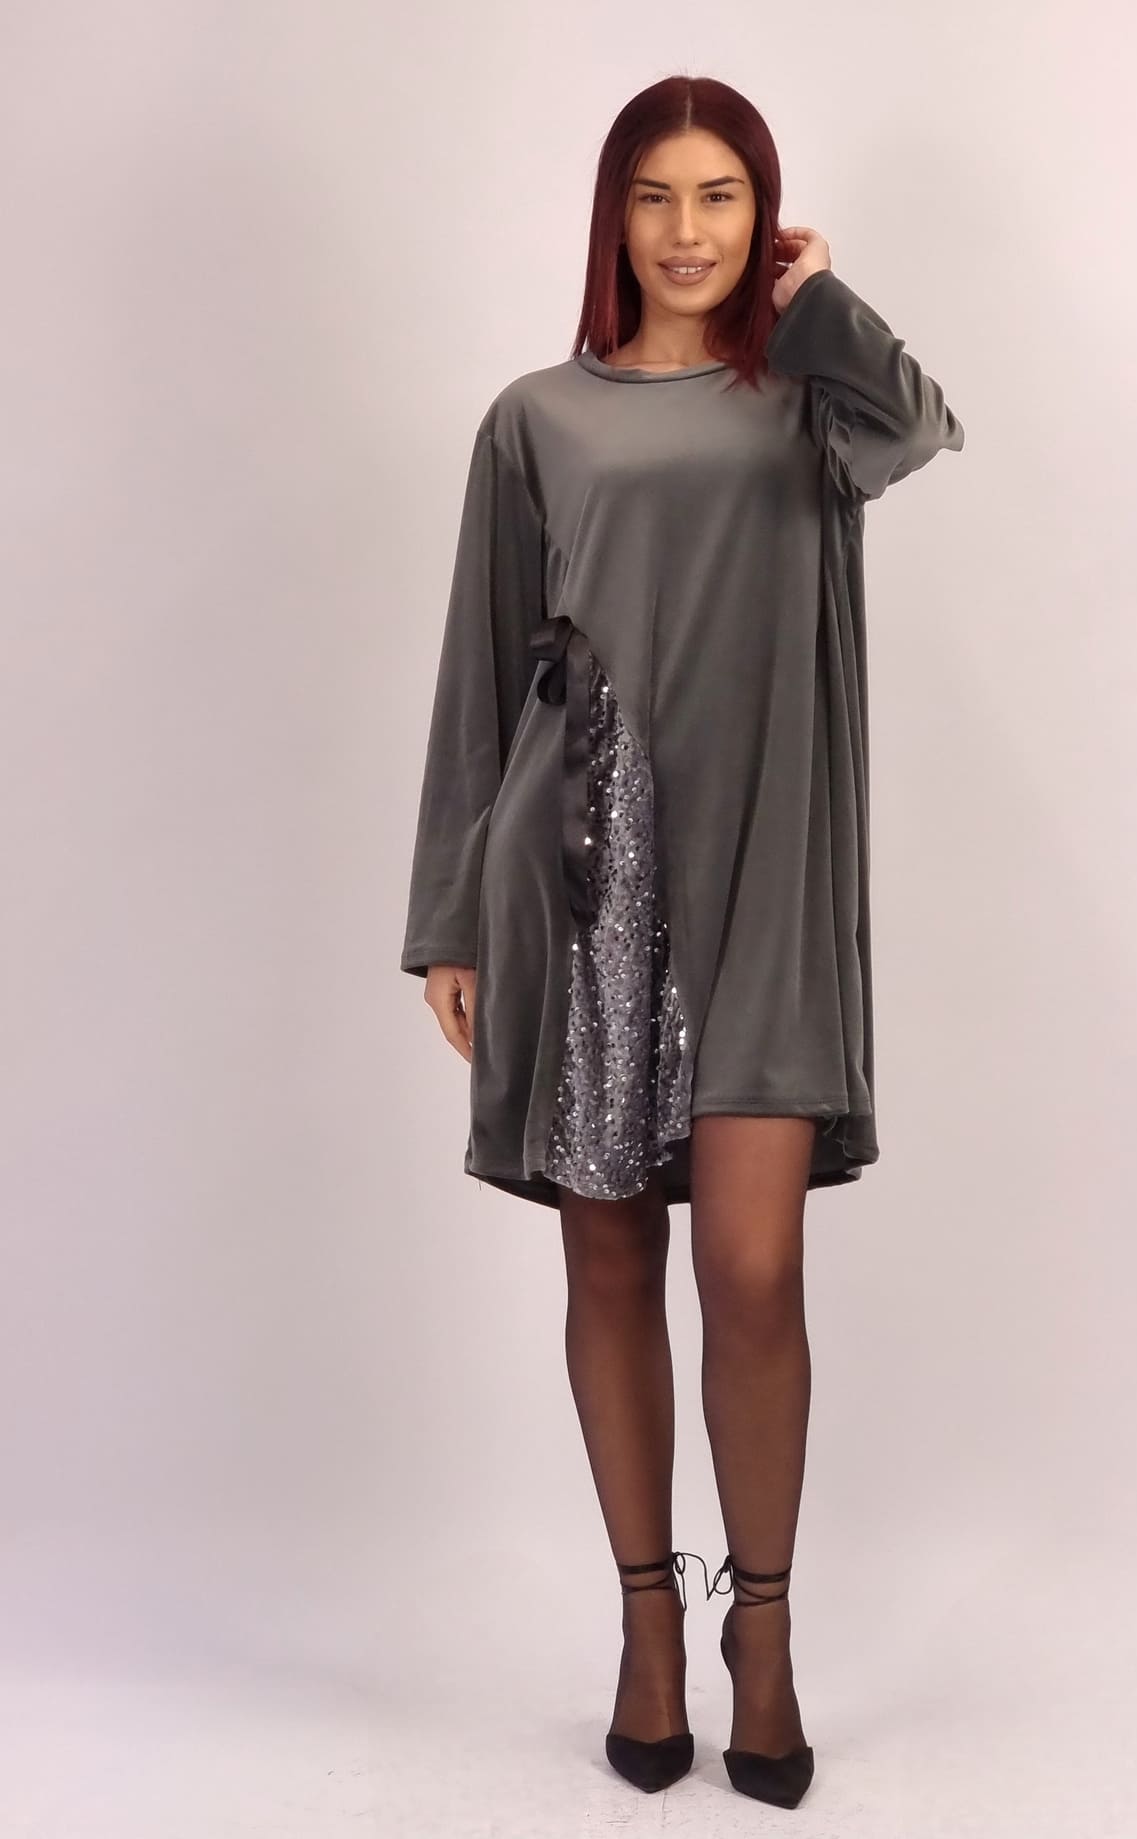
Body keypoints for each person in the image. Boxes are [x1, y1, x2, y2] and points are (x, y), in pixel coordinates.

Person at [400, 74, 964, 1809]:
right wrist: (448, 916)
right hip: (580, 883)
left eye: (723, 196)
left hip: (766, 880)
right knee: (608, 1264)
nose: (689, 229)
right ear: (614, 220)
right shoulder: (536, 419)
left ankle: (762, 1633)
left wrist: (820, 300)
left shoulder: (808, 410)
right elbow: (482, 668)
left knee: (755, 1270)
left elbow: (925, 423)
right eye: (656, 196)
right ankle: (649, 1622)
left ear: (763, 216)